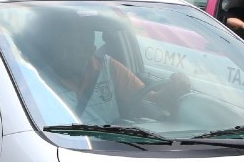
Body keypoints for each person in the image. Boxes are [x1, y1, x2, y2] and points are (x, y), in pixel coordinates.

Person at [31, 14, 189, 123]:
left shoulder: (108, 68)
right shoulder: (34, 79)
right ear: (52, 49)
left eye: (75, 48)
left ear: (91, 50)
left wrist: (174, 89)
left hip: (112, 147)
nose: (67, 55)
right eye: (63, 48)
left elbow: (151, 101)